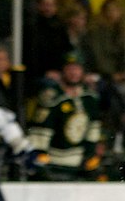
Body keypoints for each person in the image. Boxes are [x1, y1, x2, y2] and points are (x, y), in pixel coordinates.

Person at [26, 50, 104, 182]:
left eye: (77, 68)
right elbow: (41, 129)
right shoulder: (51, 97)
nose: (73, 73)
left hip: (80, 164)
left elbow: (93, 128)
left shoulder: (89, 98)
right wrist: (40, 154)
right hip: (54, 162)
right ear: (62, 71)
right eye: (70, 68)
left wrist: (91, 154)